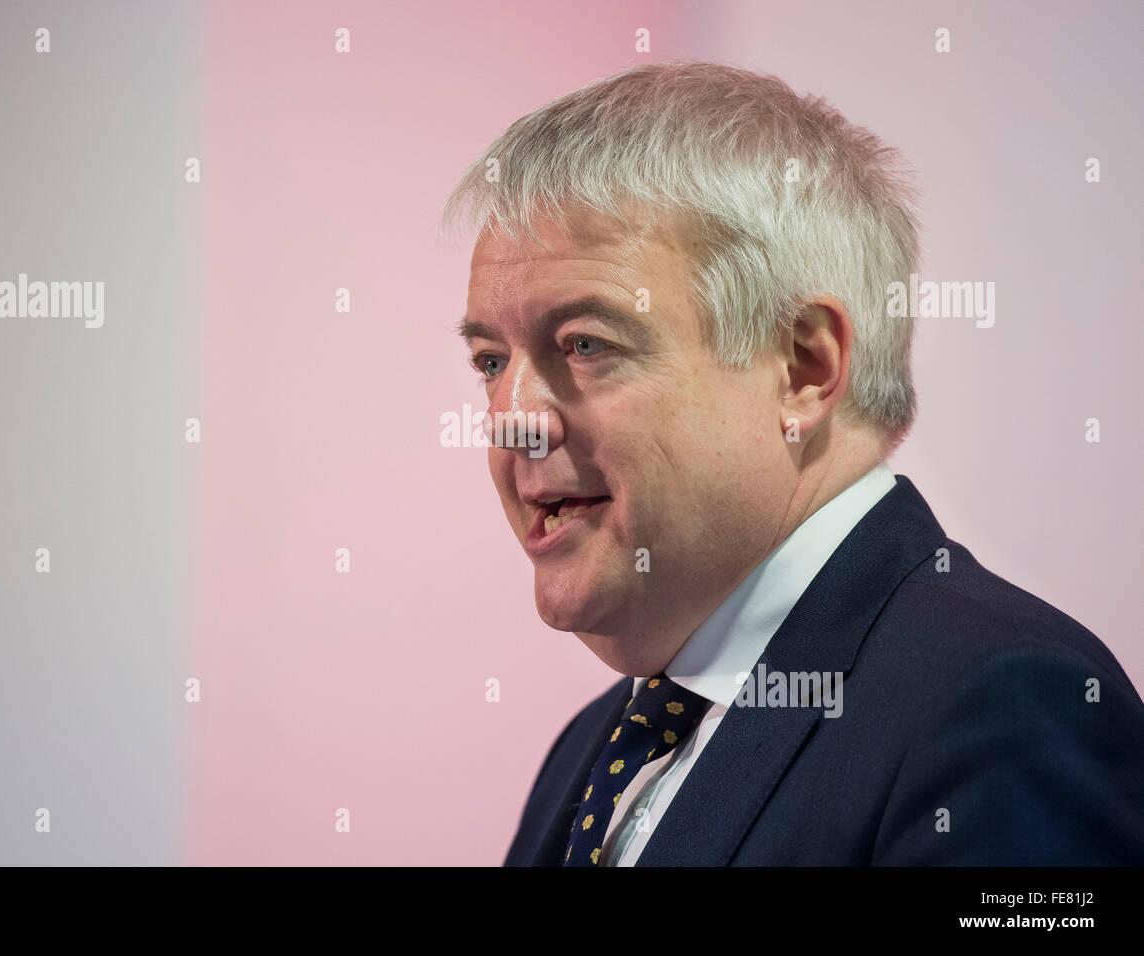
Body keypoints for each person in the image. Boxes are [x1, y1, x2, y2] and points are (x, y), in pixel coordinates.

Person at [441, 60, 1144, 865]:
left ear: (805, 368)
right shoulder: (595, 746)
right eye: (491, 362)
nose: (512, 422)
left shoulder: (1007, 712)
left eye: (586, 345)